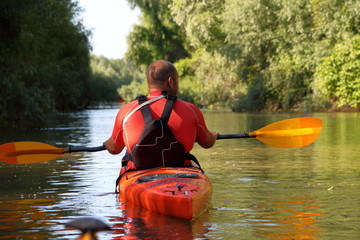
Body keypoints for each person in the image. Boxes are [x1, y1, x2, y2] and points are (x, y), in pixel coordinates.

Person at [104, 60, 218, 174]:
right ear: (171, 81)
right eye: (177, 80)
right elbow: (207, 143)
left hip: (139, 177)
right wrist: (213, 136)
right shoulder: (191, 110)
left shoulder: (127, 111)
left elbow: (114, 148)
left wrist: (106, 144)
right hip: (181, 175)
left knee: (127, 154)